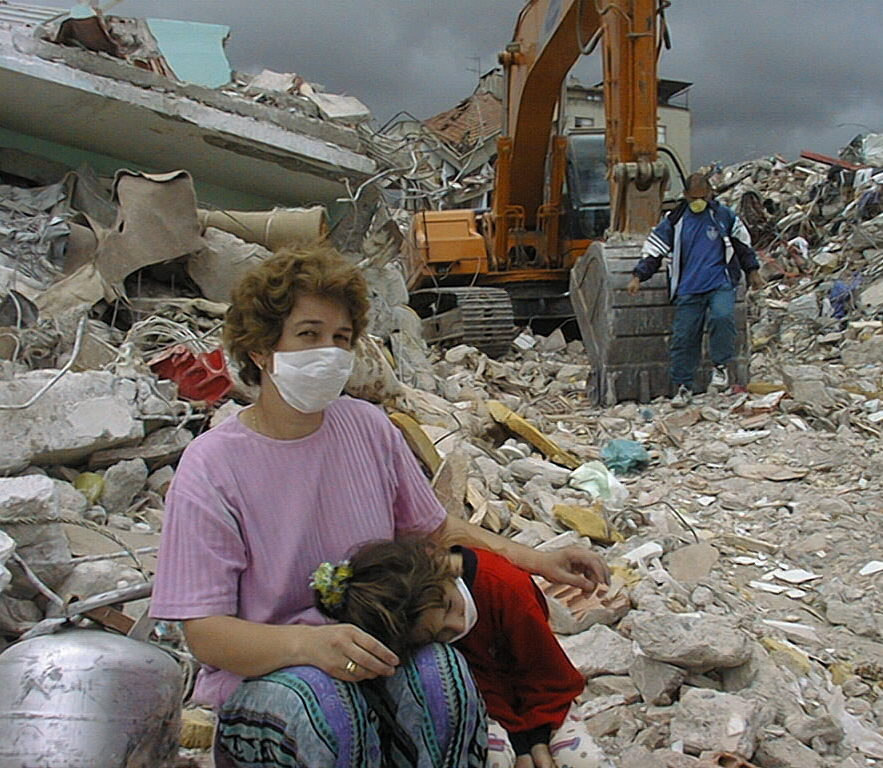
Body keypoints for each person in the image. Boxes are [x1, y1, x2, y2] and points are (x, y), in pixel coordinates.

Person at [149, 243, 610, 768]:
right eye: (308, 335)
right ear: (260, 350)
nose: (328, 351)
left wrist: (534, 559)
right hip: (272, 678)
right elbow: (206, 633)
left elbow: (430, 530)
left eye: (340, 338)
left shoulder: (367, 428)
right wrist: (307, 647)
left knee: (446, 681)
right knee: (328, 712)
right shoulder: (211, 468)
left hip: (373, 650)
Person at [314, 537, 615, 768]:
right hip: (492, 706)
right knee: (495, 758)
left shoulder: (506, 588)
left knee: (581, 760)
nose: (457, 625)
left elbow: (545, 671)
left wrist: (535, 738)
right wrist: (516, 741)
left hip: (548, 700)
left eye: (447, 606)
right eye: (441, 634)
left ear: (444, 570)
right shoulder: (422, 621)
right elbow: (478, 683)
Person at [626, 173, 765, 407]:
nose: (699, 201)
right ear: (686, 196)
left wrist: (752, 271)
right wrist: (639, 275)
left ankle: (720, 368)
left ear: (710, 193)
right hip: (688, 287)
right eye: (694, 197)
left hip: (719, 281)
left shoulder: (723, 216)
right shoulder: (675, 220)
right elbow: (654, 250)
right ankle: (683, 385)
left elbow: (742, 245)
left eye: (703, 196)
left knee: (722, 317)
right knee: (684, 336)